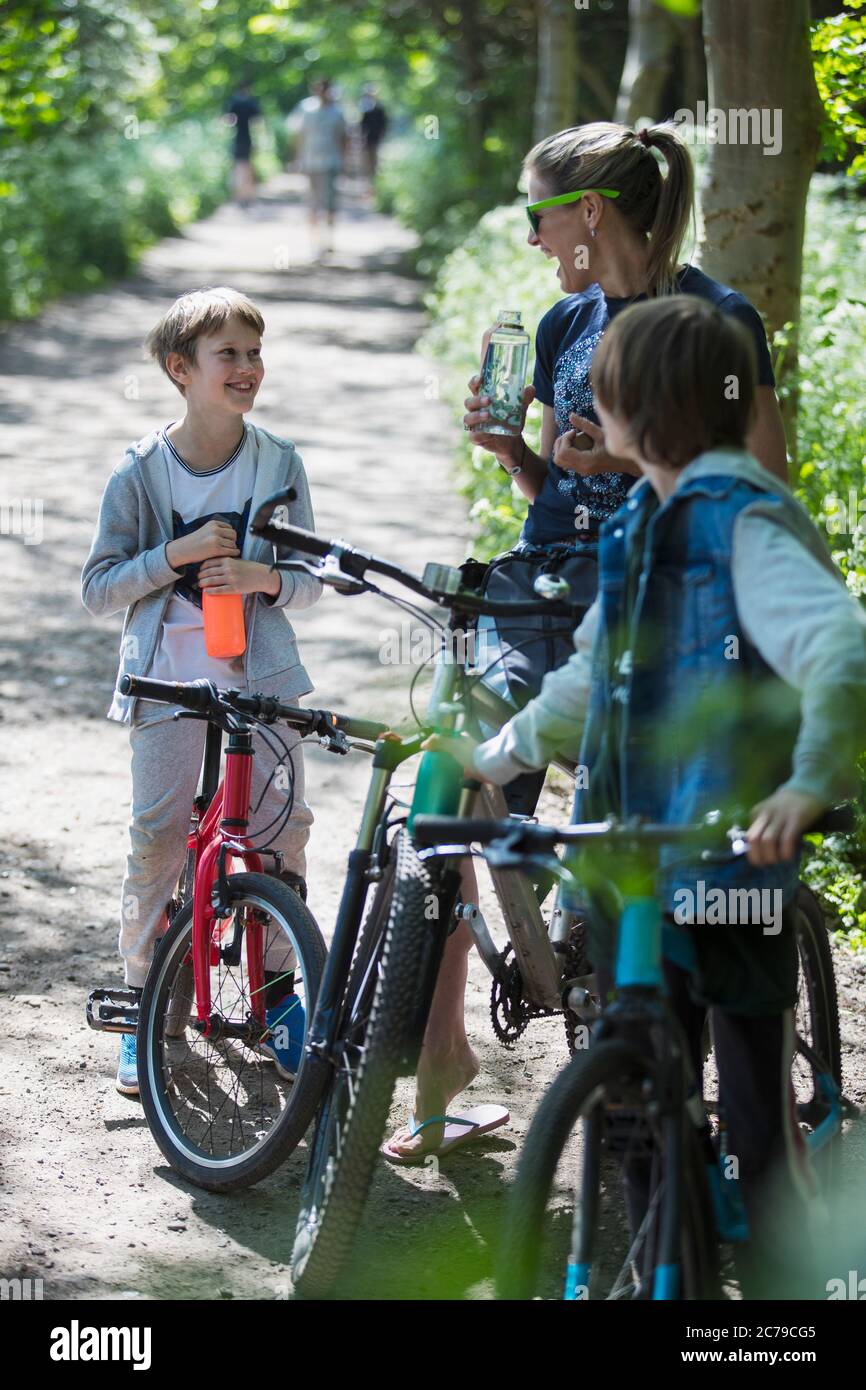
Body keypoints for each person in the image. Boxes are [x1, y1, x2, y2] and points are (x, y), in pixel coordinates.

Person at [427, 295, 866, 1290]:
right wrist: (493, 758)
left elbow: (837, 643)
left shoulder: (738, 523)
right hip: (626, 849)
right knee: (629, 1068)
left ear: (641, 407)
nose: (585, 402)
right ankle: (657, 1250)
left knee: (755, 1113)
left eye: (603, 388)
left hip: (726, 859)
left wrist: (804, 786)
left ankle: (774, 1297)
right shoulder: (636, 527)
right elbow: (585, 679)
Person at [385, 118, 790, 1162]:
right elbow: (549, 490)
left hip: (659, 605)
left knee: (650, 845)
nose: (527, 237)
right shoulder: (565, 322)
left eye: (535, 214)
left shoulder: (713, 317)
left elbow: (762, 486)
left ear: (588, 213)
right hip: (542, 589)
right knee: (455, 785)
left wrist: (623, 466)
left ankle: (657, 1078)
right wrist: (518, 453)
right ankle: (441, 1058)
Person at [81, 286, 322, 1096]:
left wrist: (264, 577)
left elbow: (313, 578)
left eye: (255, 352)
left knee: (284, 833)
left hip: (264, 679)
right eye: (230, 354)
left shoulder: (278, 462)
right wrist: (174, 555)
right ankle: (150, 999)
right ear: (181, 371)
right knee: (157, 835)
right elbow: (99, 587)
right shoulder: (141, 472)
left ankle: (280, 995)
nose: (249, 367)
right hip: (165, 679)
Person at [293, 78, 347, 258]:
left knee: (330, 203)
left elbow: (343, 138)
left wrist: (344, 161)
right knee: (313, 202)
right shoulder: (306, 109)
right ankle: (315, 242)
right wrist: (298, 158)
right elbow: (299, 134)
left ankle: (329, 240)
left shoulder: (337, 112)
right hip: (311, 162)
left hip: (331, 161)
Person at [225, 81, 261, 209]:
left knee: (237, 168)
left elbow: (227, 120)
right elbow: (257, 122)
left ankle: (239, 197)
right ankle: (248, 196)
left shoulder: (233, 102)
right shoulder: (251, 103)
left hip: (237, 139)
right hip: (247, 139)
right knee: (247, 168)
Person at [358, 84, 388, 181]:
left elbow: (384, 123)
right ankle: (369, 177)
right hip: (368, 138)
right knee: (367, 158)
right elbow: (363, 124)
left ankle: (373, 177)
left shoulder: (379, 109)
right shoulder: (366, 108)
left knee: (374, 157)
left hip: (376, 137)